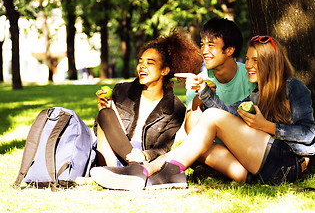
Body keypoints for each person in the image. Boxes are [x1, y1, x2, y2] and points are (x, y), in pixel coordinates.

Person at [89, 36, 314, 190]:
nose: (249, 64)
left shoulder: (292, 87)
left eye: (256, 60)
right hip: (255, 172)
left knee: (210, 119)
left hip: (285, 166)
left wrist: (266, 126)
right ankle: (145, 174)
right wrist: (203, 90)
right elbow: (228, 115)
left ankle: (156, 173)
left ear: (271, 63)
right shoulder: (256, 96)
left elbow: (310, 134)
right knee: (199, 146)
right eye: (248, 59)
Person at [94, 30, 203, 168]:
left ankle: (132, 170)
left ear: (164, 70)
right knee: (105, 114)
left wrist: (144, 155)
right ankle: (129, 170)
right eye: (140, 62)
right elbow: (102, 133)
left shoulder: (175, 108)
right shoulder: (121, 91)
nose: (142, 66)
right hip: (112, 154)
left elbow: (163, 149)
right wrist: (109, 109)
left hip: (143, 157)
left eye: (150, 62)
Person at [185, 18, 256, 139]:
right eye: (202, 45)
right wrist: (198, 101)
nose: (204, 51)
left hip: (246, 144)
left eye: (211, 45)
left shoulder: (251, 76)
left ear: (229, 50)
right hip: (212, 148)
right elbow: (191, 134)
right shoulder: (198, 82)